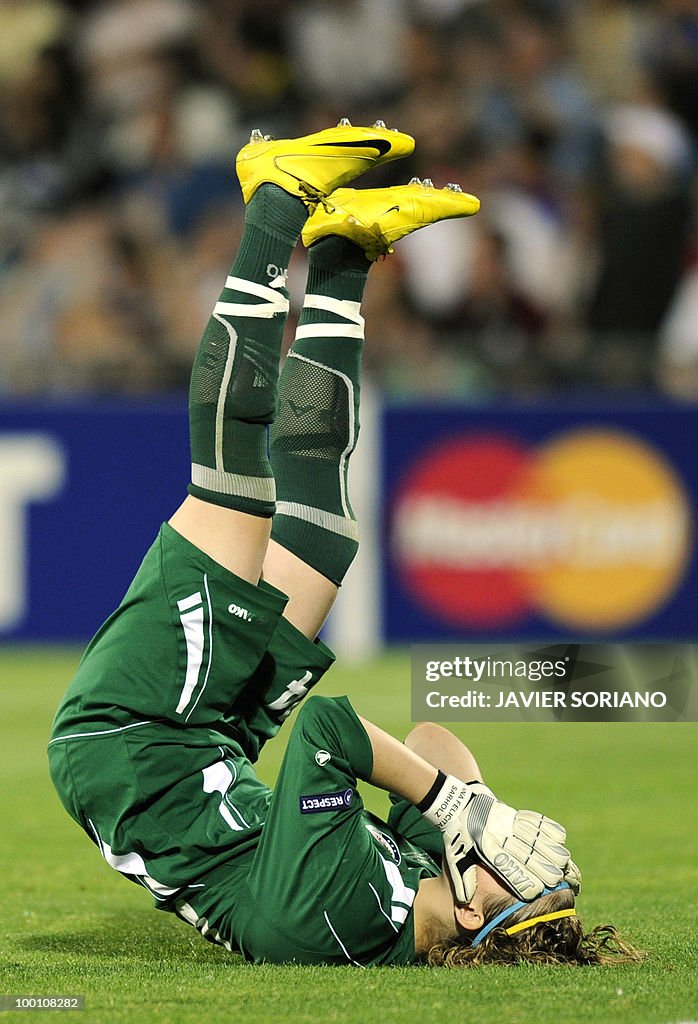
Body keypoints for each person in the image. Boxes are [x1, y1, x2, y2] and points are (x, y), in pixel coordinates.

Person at [48, 121, 638, 967]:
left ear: (476, 913)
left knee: (231, 484)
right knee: (325, 536)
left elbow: (330, 730)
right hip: (211, 746)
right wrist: (478, 814)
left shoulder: (335, 918)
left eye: (530, 881)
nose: (533, 863)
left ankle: (274, 202)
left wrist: (453, 809)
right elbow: (431, 737)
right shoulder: (417, 897)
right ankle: (342, 258)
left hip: (136, 743)